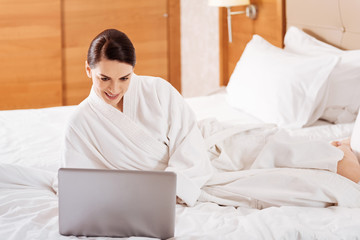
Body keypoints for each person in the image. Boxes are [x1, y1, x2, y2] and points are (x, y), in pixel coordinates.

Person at [63, 29, 360, 209]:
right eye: (104, 78)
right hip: (187, 181)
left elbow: (187, 138)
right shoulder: (80, 123)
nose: (114, 88)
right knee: (296, 185)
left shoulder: (156, 90)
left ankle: (340, 149)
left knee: (280, 147)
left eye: (124, 78)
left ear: (133, 71)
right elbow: (80, 182)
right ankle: (337, 151)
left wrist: (176, 185)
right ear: (88, 70)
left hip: (206, 150)